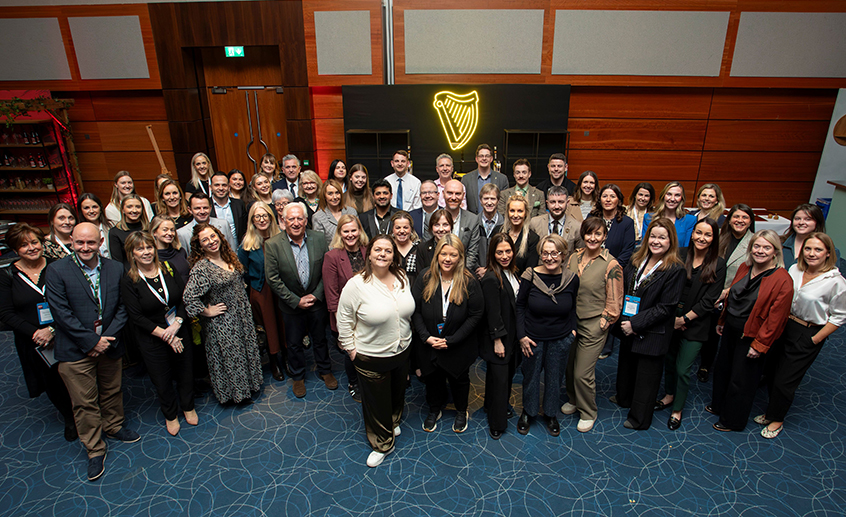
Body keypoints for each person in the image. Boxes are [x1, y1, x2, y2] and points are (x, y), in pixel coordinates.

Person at [45, 222, 138, 482]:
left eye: (91, 242)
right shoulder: (57, 270)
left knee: (111, 389)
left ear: (100, 243)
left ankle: (114, 426)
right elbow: (61, 313)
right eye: (79, 243)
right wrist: (91, 341)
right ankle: (95, 448)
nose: (85, 248)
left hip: (109, 342)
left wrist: (106, 338)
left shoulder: (115, 268)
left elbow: (122, 306)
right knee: (84, 402)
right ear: (72, 242)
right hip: (75, 348)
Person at [757, 233, 846, 438]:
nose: (811, 254)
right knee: (771, 371)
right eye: (808, 249)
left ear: (828, 254)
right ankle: (771, 412)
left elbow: (839, 317)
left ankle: (777, 419)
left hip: (808, 332)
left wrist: (815, 339)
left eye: (818, 250)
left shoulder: (836, 282)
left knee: (785, 380)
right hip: (784, 324)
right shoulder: (795, 269)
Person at [337, 235, 415, 467]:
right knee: (376, 402)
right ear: (368, 254)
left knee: (397, 393)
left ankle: (392, 422)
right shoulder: (356, 285)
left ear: (394, 256)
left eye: (388, 251)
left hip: (402, 351)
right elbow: (344, 319)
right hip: (371, 355)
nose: (383, 254)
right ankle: (382, 443)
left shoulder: (402, 277)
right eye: (377, 250)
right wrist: (351, 350)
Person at [708, 229, 793, 433]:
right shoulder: (746, 267)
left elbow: (776, 320)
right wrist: (723, 320)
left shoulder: (783, 280)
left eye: (766, 247)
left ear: (775, 252)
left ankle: (733, 421)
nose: (760, 251)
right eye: (757, 246)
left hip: (753, 335)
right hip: (731, 328)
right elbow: (733, 296)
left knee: (742, 379)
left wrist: (760, 345)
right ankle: (719, 405)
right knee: (723, 369)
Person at [0, 224, 75, 441]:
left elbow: (73, 300)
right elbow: (5, 313)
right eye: (24, 245)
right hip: (33, 340)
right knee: (51, 380)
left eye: (35, 242)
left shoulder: (59, 266)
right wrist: (37, 333)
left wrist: (52, 329)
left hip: (65, 331)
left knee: (75, 376)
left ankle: (85, 412)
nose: (32, 248)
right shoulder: (7, 275)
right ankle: (69, 417)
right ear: (15, 250)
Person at [120, 232, 195, 436]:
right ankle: (170, 414)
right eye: (140, 249)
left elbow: (183, 298)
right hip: (152, 336)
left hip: (177, 328)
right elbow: (136, 316)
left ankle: (188, 406)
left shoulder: (167, 268)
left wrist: (177, 324)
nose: (146, 252)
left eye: (149, 247)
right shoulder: (129, 279)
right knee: (161, 379)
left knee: (185, 371)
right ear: (132, 253)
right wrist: (166, 334)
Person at [613, 218, 685, 430]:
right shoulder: (637, 260)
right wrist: (625, 322)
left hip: (652, 331)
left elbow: (666, 307)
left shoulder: (675, 269)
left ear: (671, 240)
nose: (656, 241)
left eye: (662, 237)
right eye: (653, 236)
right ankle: (624, 399)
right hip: (628, 325)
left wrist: (635, 324)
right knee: (627, 368)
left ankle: (639, 419)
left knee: (647, 378)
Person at [654, 218, 726, 430]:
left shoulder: (718, 264)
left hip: (696, 322)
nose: (702, 238)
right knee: (668, 360)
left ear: (714, 239)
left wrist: (684, 320)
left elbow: (709, 300)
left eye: (708, 235)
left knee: (683, 368)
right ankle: (668, 395)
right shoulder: (680, 254)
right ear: (692, 234)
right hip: (671, 315)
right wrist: (673, 319)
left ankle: (678, 408)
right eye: (699, 233)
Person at [183, 224, 263, 404]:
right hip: (223, 321)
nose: (211, 242)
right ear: (199, 246)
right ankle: (236, 395)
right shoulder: (202, 268)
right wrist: (207, 311)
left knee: (245, 351)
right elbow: (188, 298)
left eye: (213, 236)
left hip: (241, 315)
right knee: (231, 358)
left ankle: (250, 386)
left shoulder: (229, 256)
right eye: (205, 240)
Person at [413, 234, 484, 433]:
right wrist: (426, 337)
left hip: (459, 343)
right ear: (437, 255)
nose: (447, 259)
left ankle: (462, 411)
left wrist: (452, 340)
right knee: (433, 378)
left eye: (453, 255)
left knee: (459, 379)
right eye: (443, 253)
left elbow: (476, 315)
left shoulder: (469, 281)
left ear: (460, 257)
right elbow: (415, 310)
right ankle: (435, 409)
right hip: (429, 341)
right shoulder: (425, 277)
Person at [265, 203, 336, 398]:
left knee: (320, 339)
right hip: (291, 305)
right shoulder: (272, 244)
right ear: (283, 221)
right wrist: (296, 301)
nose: (295, 223)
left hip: (316, 301)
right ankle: (298, 377)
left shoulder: (319, 239)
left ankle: (325, 370)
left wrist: (316, 295)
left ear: (306, 221)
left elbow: (326, 271)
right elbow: (273, 278)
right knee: (294, 343)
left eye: (299, 219)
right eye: (291, 219)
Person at [561, 217, 623, 433]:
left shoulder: (611, 264)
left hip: (594, 324)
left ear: (605, 236)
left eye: (598, 234)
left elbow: (615, 301)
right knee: (569, 367)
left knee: (582, 372)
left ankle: (588, 412)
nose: (593, 238)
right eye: (589, 233)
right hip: (571, 322)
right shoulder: (574, 257)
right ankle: (574, 399)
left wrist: (604, 323)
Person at [516, 234, 579, 437]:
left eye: (555, 253)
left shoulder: (571, 279)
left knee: (554, 379)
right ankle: (529, 412)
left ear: (563, 255)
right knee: (531, 377)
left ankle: (551, 414)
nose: (550, 257)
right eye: (545, 253)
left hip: (560, 338)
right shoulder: (530, 275)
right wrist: (522, 336)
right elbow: (520, 306)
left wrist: (572, 331)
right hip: (532, 338)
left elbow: (573, 307)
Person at [697, 204, 756, 382]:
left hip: (737, 295)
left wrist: (725, 293)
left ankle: (725, 369)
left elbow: (752, 273)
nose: (739, 221)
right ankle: (705, 364)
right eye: (736, 217)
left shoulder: (754, 241)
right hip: (711, 290)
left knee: (729, 334)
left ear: (750, 221)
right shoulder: (719, 237)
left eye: (744, 217)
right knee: (710, 331)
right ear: (729, 220)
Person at [322, 214, 369, 401]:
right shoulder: (332, 256)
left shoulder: (368, 250)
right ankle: (354, 382)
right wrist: (339, 328)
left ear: (359, 231)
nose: (350, 234)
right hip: (347, 315)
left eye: (353, 230)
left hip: (369, 309)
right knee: (352, 351)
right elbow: (331, 294)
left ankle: (367, 379)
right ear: (340, 233)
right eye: (346, 231)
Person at [238, 203, 286, 382]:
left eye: (265, 215)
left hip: (281, 290)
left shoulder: (281, 237)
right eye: (257, 216)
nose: (262, 219)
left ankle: (287, 357)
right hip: (261, 291)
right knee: (269, 328)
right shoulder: (247, 244)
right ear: (252, 220)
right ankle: (274, 362)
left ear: (271, 217)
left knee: (283, 324)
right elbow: (243, 271)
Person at [480, 234, 521, 439]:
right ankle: (497, 424)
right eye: (499, 252)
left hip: (511, 335)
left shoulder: (512, 272)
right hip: (499, 338)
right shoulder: (490, 277)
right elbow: (492, 313)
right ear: (492, 254)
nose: (504, 256)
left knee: (499, 378)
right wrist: (498, 341)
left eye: (508, 251)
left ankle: (491, 406)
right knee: (500, 380)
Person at [781, 203, 842, 271]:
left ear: (817, 222)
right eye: (797, 219)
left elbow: (831, 276)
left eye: (808, 219)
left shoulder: (829, 250)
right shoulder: (779, 243)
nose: (801, 222)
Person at [589, 184, 636, 268]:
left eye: (612, 196)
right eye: (604, 196)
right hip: (590, 266)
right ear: (600, 199)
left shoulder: (627, 223)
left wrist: (613, 268)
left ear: (618, 200)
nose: (608, 200)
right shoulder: (591, 218)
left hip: (615, 268)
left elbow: (627, 251)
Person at [642, 181, 697, 249]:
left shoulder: (690, 220)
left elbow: (686, 249)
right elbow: (645, 246)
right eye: (669, 194)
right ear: (663, 196)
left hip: (678, 258)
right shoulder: (648, 218)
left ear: (682, 198)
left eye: (677, 195)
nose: (672, 199)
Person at [529, 185, 581, 254]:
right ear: (547, 203)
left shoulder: (577, 226)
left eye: (561, 202)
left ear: (567, 203)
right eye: (553, 202)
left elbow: (578, 255)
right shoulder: (535, 223)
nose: (556, 206)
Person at [443, 179, 481, 270]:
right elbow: (428, 251)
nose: (453, 197)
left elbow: (472, 253)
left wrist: (461, 273)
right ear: (443, 194)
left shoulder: (472, 219)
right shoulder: (432, 218)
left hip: (463, 272)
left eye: (458, 194)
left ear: (463, 195)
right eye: (450, 193)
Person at [462, 144, 509, 214]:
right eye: (481, 156)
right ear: (476, 159)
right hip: (472, 222)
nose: (484, 158)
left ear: (491, 159)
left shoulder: (502, 179)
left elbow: (505, 205)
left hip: (496, 222)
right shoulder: (466, 179)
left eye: (487, 156)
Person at [312, 179, 358, 248]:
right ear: (324, 196)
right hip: (332, 256)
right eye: (330, 194)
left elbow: (359, 235)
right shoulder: (318, 217)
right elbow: (319, 244)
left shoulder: (351, 212)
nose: (335, 197)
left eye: (337, 193)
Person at [501, 195, 539, 273]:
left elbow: (530, 270)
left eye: (520, 211)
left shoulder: (532, 238)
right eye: (512, 211)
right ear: (507, 212)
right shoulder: (498, 231)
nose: (515, 215)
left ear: (526, 213)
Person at [108, 194, 149, 266]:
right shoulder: (115, 232)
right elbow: (118, 262)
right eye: (129, 207)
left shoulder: (150, 228)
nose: (134, 210)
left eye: (138, 207)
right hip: (129, 273)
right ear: (123, 210)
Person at [210, 171, 248, 244]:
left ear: (228, 187)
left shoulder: (239, 204)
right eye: (217, 185)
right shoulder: (206, 206)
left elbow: (245, 228)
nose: (221, 188)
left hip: (237, 249)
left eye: (224, 185)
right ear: (211, 187)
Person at [475, 183, 503, 279]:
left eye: (493, 199)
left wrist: (490, 270)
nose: (489, 202)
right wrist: (478, 269)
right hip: (476, 274)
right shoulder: (474, 223)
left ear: (498, 201)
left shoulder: (504, 224)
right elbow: (470, 250)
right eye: (486, 198)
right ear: (480, 201)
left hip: (498, 275)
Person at [151, 215, 191, 280]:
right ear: (154, 232)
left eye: (172, 230)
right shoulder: (152, 257)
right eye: (165, 230)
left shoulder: (181, 252)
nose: (170, 233)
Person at [78, 193, 111, 259]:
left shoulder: (111, 226)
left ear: (100, 208)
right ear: (81, 211)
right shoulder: (78, 231)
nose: (91, 211)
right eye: (86, 208)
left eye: (94, 207)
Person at [391, 210, 421, 285]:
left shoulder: (419, 248)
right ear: (393, 229)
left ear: (411, 229)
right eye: (398, 228)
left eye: (405, 227)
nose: (402, 231)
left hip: (414, 294)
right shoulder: (388, 248)